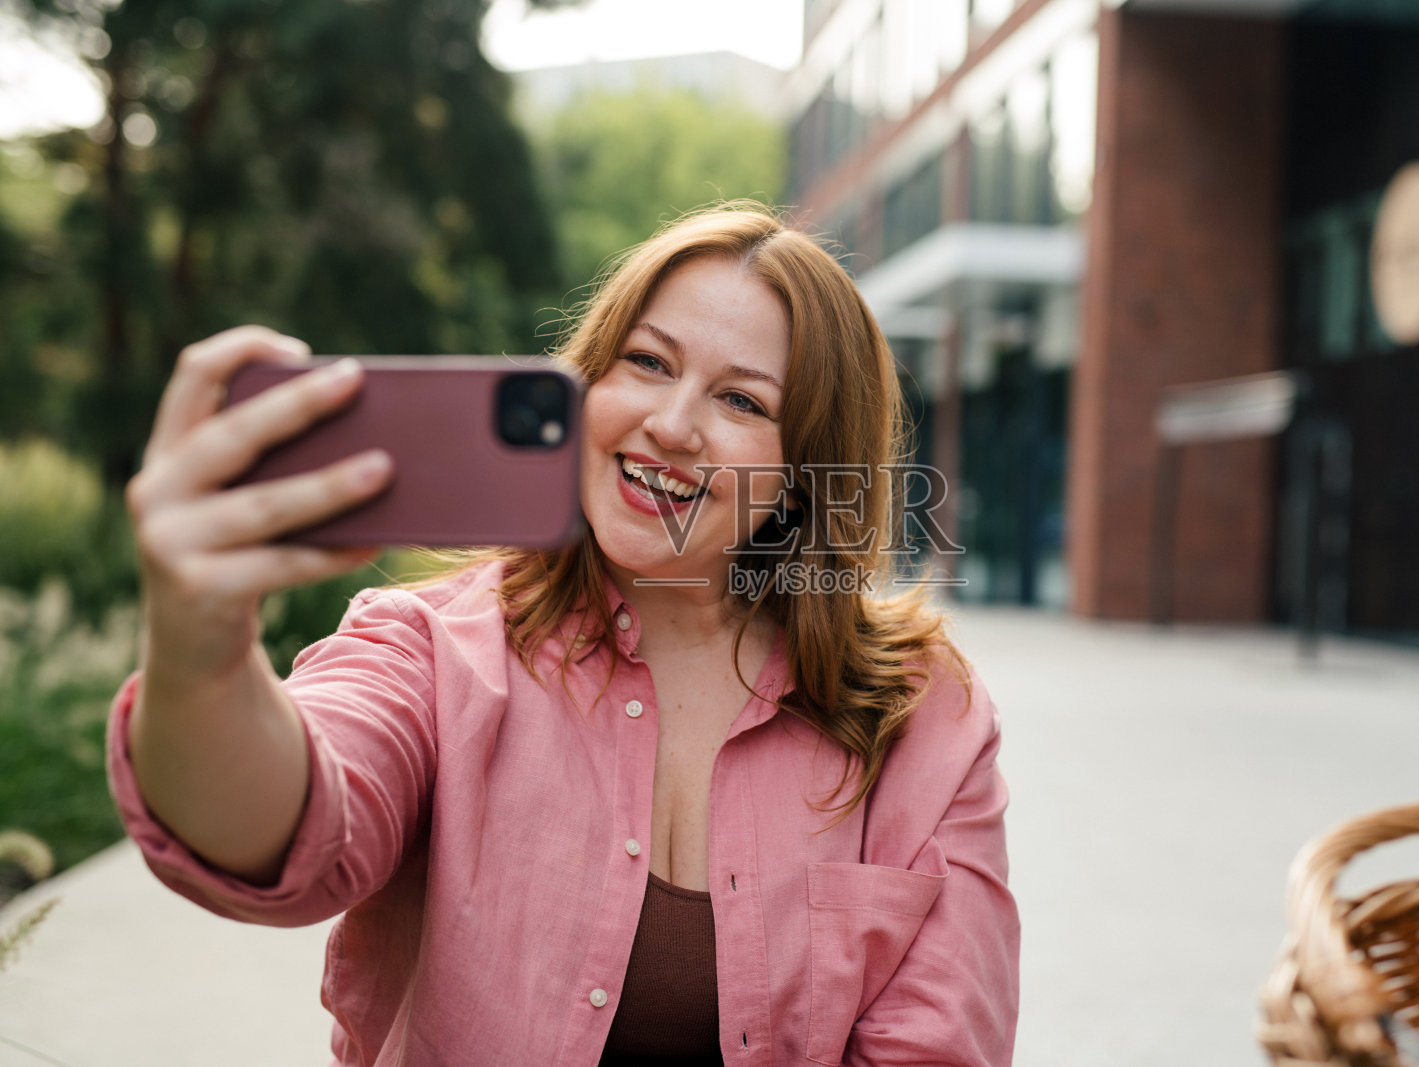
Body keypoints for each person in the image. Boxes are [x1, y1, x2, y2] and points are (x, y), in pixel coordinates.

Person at [109, 205, 1020, 1066]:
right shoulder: (433, 650)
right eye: (648, 363)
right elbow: (282, 830)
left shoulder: (924, 717)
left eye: (741, 402)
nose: (670, 425)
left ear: (801, 475)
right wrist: (202, 642)